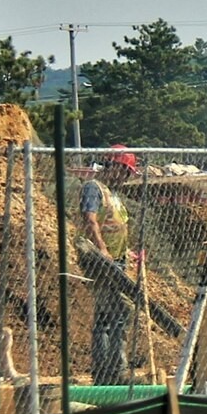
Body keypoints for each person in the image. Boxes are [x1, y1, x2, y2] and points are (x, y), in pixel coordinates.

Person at [80, 146, 138, 386]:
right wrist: (102, 249)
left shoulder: (112, 194)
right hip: (100, 260)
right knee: (111, 314)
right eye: (124, 172)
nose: (125, 179)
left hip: (117, 260)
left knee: (116, 313)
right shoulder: (94, 188)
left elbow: (116, 224)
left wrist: (128, 253)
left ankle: (113, 368)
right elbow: (90, 219)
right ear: (114, 166)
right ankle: (109, 370)